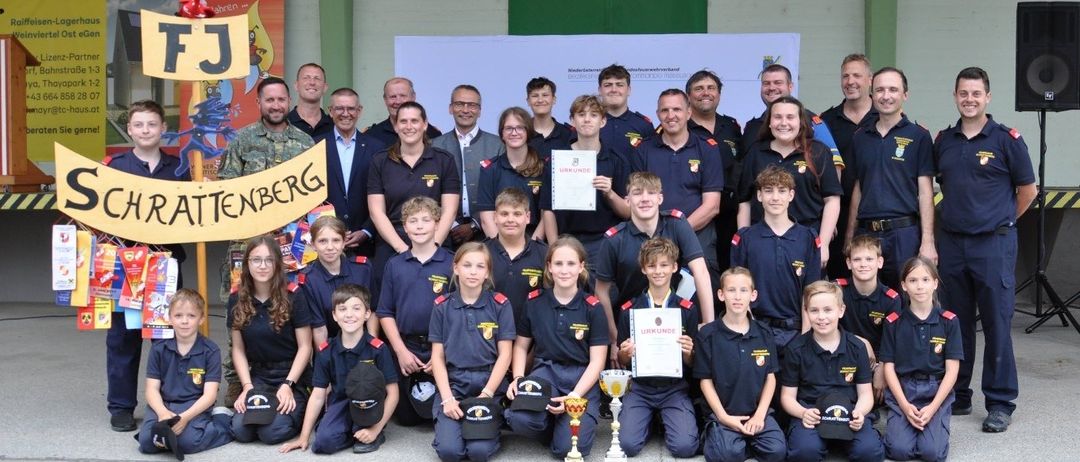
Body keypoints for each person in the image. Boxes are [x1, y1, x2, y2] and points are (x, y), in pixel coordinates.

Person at [933, 67, 1036, 432]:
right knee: (954, 325)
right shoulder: (944, 141)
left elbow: (1028, 191)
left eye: (976, 93)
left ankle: (1000, 401)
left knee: (996, 323)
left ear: (988, 97)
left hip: (993, 244)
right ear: (956, 95)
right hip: (953, 244)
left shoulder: (1007, 139)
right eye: (963, 93)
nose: (970, 99)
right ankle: (958, 394)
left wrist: (1004, 221)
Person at [104, 100, 190, 432]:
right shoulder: (113, 167)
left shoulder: (179, 168)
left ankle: (164, 403)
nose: (145, 131)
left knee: (167, 336)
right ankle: (121, 406)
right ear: (129, 129)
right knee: (123, 337)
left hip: (166, 267)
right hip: (126, 268)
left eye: (152, 125)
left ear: (162, 129)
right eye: (138, 125)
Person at [505, 236, 609, 458]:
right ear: (549, 267)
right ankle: (551, 426)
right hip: (546, 373)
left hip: (581, 377)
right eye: (558, 264)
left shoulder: (593, 308)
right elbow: (522, 347)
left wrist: (575, 395)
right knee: (519, 418)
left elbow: (598, 361)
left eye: (571, 264)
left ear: (581, 267)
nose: (564, 270)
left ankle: (562, 427)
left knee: (569, 449)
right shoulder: (534, 302)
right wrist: (518, 377)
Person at [595, 171, 716, 346]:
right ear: (627, 200)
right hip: (629, 323)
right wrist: (614, 339)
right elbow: (601, 291)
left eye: (651, 192)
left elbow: (701, 272)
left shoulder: (676, 224)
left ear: (660, 198)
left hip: (675, 319)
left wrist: (709, 325)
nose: (645, 199)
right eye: (637, 193)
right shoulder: (614, 239)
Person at [279, 284, 399, 455]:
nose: (349, 315)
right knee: (322, 444)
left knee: (364, 431)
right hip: (341, 402)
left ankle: (372, 432)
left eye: (356, 308)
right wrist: (303, 437)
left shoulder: (377, 349)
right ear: (334, 315)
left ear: (367, 314)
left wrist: (375, 430)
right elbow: (318, 395)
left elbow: (393, 393)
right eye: (342, 309)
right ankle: (349, 431)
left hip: (369, 403)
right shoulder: (326, 350)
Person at [845, 67, 936, 290]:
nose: (886, 96)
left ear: (905, 95)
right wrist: (850, 235)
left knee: (905, 300)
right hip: (867, 234)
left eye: (893, 90)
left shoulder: (919, 136)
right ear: (872, 95)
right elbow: (858, 188)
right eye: (880, 90)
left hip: (903, 234)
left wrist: (927, 241)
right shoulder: (860, 137)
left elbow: (925, 192)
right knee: (868, 299)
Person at [429, 243, 515, 461]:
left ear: (487, 272)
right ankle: (448, 428)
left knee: (479, 452)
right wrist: (447, 398)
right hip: (454, 383)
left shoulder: (500, 305)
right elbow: (437, 357)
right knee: (450, 452)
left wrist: (487, 394)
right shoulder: (442, 306)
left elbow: (505, 355)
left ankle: (492, 424)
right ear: (456, 268)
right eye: (467, 265)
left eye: (480, 266)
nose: (473, 271)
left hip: (488, 383)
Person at [614, 237, 700, 458]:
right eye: (652, 266)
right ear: (643, 269)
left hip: (674, 387)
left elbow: (693, 364)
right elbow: (623, 361)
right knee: (627, 445)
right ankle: (650, 421)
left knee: (685, 447)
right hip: (640, 388)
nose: (658, 271)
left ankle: (663, 418)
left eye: (664, 265)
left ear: (674, 267)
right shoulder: (629, 310)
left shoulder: (687, 310)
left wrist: (689, 353)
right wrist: (624, 354)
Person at [781, 281, 884, 462]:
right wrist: (802, 413)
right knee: (805, 452)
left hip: (849, 411)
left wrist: (859, 412)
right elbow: (787, 397)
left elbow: (866, 393)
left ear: (841, 310)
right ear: (806, 312)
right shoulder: (795, 349)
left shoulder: (857, 347)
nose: (821, 317)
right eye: (814, 311)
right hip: (811, 412)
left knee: (869, 452)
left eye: (828, 310)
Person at [376, 196, 455, 427]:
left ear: (438, 224)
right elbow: (385, 312)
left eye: (426, 220)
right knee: (407, 420)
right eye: (413, 221)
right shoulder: (395, 264)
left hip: (441, 347)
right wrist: (400, 351)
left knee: (440, 413)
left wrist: (441, 355)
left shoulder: (451, 263)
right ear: (405, 227)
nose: (419, 226)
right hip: (407, 347)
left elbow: (460, 312)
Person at [630, 89, 724, 281]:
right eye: (665, 110)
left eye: (677, 109)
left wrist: (679, 233)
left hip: (699, 236)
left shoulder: (707, 148)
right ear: (658, 114)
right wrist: (661, 238)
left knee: (698, 295)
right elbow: (636, 200)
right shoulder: (643, 150)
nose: (671, 115)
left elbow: (712, 206)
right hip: (652, 237)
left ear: (688, 113)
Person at [228, 235, 313, 444]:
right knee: (242, 431)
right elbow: (238, 349)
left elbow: (305, 347)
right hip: (259, 377)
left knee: (271, 433)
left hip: (291, 376)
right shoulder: (236, 299)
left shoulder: (294, 295)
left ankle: (305, 409)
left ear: (277, 263)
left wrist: (288, 384)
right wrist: (246, 387)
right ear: (247, 264)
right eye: (256, 260)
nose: (263, 266)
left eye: (269, 260)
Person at [739, 96, 842, 268]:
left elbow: (832, 200)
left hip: (807, 241)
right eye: (778, 117)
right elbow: (744, 201)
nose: (783, 123)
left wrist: (823, 244)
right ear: (769, 122)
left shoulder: (818, 152)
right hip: (762, 241)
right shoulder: (756, 152)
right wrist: (743, 240)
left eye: (790, 117)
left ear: (801, 122)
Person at [695, 267, 785, 462]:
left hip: (756, 412)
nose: (737, 296)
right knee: (726, 455)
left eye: (743, 290)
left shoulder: (764, 332)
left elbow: (770, 377)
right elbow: (705, 381)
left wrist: (760, 415)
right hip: (724, 414)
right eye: (731, 290)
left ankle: (741, 441)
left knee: (777, 451)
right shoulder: (707, 335)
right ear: (721, 294)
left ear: (753, 295)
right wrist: (723, 417)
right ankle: (723, 437)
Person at [367, 101, 460, 284]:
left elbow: (449, 211)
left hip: (435, 241)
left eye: (414, 121)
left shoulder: (444, 160)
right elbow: (376, 212)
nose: (409, 127)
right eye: (403, 121)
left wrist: (432, 248)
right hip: (392, 243)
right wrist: (403, 250)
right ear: (395, 126)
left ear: (425, 125)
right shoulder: (380, 161)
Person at [881, 257, 962, 461]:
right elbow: (888, 368)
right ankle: (903, 424)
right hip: (904, 391)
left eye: (925, 280)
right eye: (913, 280)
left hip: (935, 391)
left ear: (935, 283)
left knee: (931, 453)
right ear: (904, 286)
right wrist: (905, 406)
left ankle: (934, 425)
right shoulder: (894, 323)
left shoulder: (949, 321)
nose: (920, 286)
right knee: (899, 451)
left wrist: (933, 407)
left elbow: (952, 370)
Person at [731, 166, 821, 349]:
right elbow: (738, 289)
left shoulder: (808, 238)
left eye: (781, 191)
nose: (775, 197)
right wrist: (749, 330)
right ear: (759, 196)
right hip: (756, 329)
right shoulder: (745, 238)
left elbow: (811, 292)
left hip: (795, 332)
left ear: (791, 195)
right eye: (768, 190)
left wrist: (805, 337)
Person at [137, 289, 232, 457]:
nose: (184, 321)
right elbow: (151, 389)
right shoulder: (159, 348)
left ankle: (221, 421)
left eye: (191, 316)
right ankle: (168, 431)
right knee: (146, 443)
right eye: (178, 316)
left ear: (201, 319)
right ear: (170, 318)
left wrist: (185, 418)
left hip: (193, 405)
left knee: (188, 444)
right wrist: (162, 413)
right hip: (164, 404)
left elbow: (209, 395)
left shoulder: (210, 351)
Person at [540, 95, 630, 268]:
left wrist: (609, 193)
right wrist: (554, 247)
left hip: (605, 241)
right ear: (572, 121)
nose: (587, 120)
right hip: (566, 240)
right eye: (581, 114)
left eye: (594, 115)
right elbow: (548, 209)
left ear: (603, 121)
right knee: (568, 294)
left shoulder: (617, 160)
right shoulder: (558, 160)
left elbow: (628, 212)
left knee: (603, 293)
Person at [822, 54, 877, 279]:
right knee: (839, 283)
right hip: (838, 214)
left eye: (857, 75)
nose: (850, 81)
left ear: (870, 79)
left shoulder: (886, 118)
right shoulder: (825, 122)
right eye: (845, 76)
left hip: (875, 215)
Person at [683, 69, 744, 276]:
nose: (705, 93)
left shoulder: (732, 126)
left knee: (730, 270)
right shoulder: (679, 127)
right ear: (689, 96)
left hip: (729, 215)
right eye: (698, 89)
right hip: (696, 214)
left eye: (711, 88)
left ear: (719, 94)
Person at [314, 87, 386, 258]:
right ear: (330, 111)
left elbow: (384, 194)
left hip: (366, 246)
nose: (345, 114)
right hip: (325, 243)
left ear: (359, 111)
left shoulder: (377, 148)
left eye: (351, 109)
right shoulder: (315, 146)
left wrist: (367, 230)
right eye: (339, 108)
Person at [432, 85, 506, 247]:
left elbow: (503, 191)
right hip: (444, 235)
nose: (465, 110)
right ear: (450, 108)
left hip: (488, 232)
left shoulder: (498, 145)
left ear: (479, 110)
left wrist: (475, 224)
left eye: (472, 105)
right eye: (459, 104)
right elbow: (431, 191)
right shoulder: (435, 146)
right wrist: (451, 225)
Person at [836, 235, 902, 403]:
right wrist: (860, 341)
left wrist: (882, 368)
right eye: (857, 259)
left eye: (869, 259)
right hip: (844, 355)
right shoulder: (837, 290)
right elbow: (825, 327)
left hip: (876, 362)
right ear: (849, 264)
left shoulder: (891, 299)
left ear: (879, 262)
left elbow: (892, 340)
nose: (863, 264)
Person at [295, 216, 377, 349]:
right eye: (322, 241)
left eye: (336, 240)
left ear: (344, 242)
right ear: (313, 245)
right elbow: (319, 328)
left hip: (363, 344)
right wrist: (326, 360)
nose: (330, 247)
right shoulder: (308, 280)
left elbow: (372, 310)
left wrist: (373, 348)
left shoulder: (363, 268)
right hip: (332, 347)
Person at [740, 64, 839, 159]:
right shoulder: (752, 127)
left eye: (778, 82)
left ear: (790, 86)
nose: (771, 88)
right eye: (766, 83)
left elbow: (834, 165)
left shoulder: (811, 121)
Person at [477, 107, 546, 240]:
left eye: (520, 128)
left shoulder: (543, 168)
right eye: (508, 128)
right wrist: (502, 251)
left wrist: (532, 248)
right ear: (502, 134)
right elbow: (487, 219)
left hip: (534, 242)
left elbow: (546, 217)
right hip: (499, 243)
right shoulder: (490, 169)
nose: (514, 133)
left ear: (528, 132)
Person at [484, 188, 548, 327]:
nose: (510, 219)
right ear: (495, 217)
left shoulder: (544, 254)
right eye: (504, 214)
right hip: (486, 339)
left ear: (528, 217)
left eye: (517, 214)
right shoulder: (481, 253)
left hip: (531, 340)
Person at [597, 64, 654, 161]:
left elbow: (651, 161)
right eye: (608, 85)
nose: (614, 90)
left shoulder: (643, 125)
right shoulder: (589, 123)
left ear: (629, 90)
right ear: (599, 90)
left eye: (619, 85)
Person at [366, 77, 442, 146]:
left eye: (403, 96)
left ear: (413, 97)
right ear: (385, 100)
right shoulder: (371, 136)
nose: (398, 101)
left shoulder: (432, 134)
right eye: (393, 96)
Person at [525, 77, 575, 157]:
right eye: (535, 96)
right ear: (528, 101)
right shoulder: (520, 133)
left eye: (545, 95)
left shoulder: (569, 134)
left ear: (554, 99)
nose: (540, 100)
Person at [287, 63, 333, 138]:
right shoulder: (283, 124)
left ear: (325, 87)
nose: (312, 82)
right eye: (306, 78)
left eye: (317, 78)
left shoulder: (335, 127)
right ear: (296, 86)